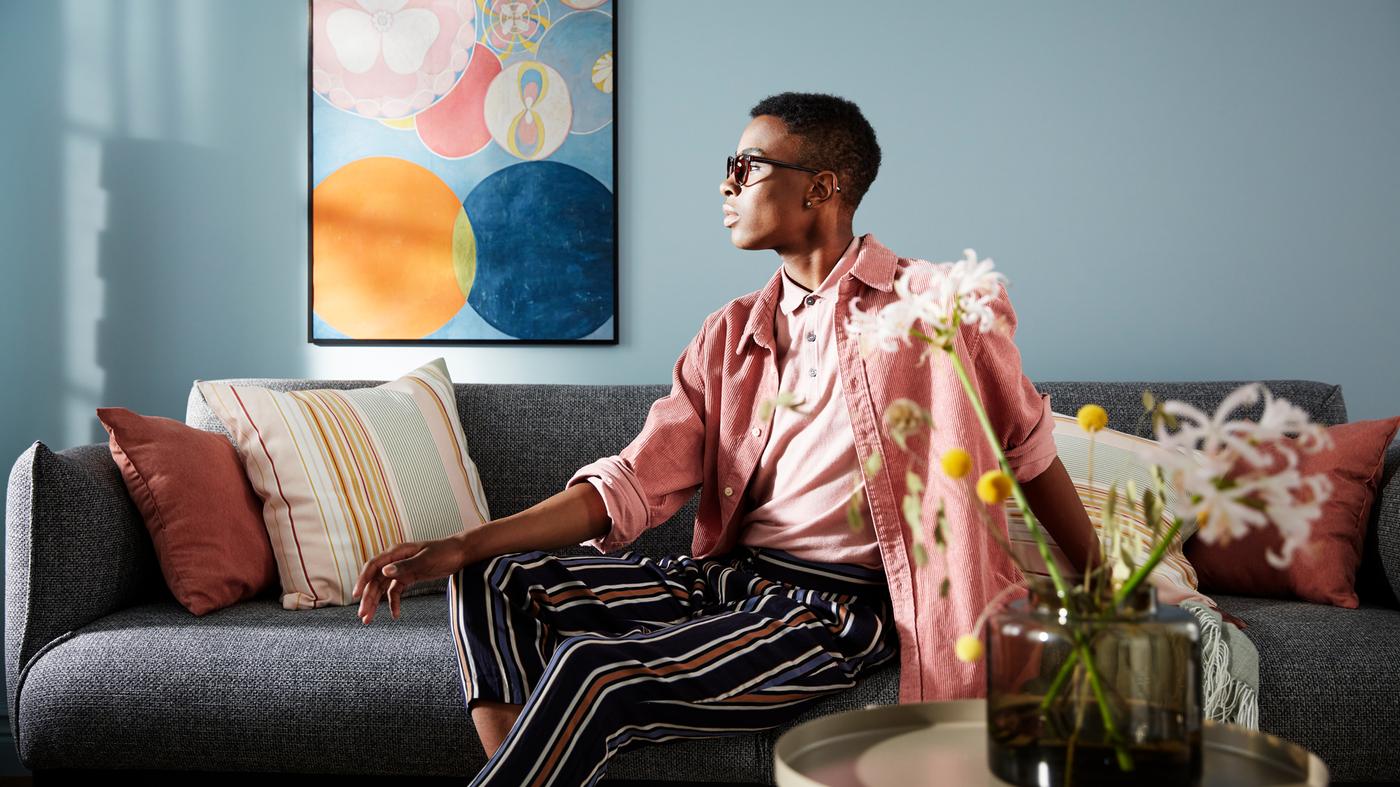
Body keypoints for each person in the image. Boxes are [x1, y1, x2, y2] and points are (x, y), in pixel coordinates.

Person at [352, 92, 1101, 787]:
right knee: (489, 576)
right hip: (731, 582)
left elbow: (1028, 450)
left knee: (594, 670)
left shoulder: (935, 306)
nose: (726, 185)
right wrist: (463, 543)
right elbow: (630, 484)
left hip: (834, 612)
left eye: (747, 167)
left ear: (820, 188)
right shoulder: (730, 334)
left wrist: (1104, 592)